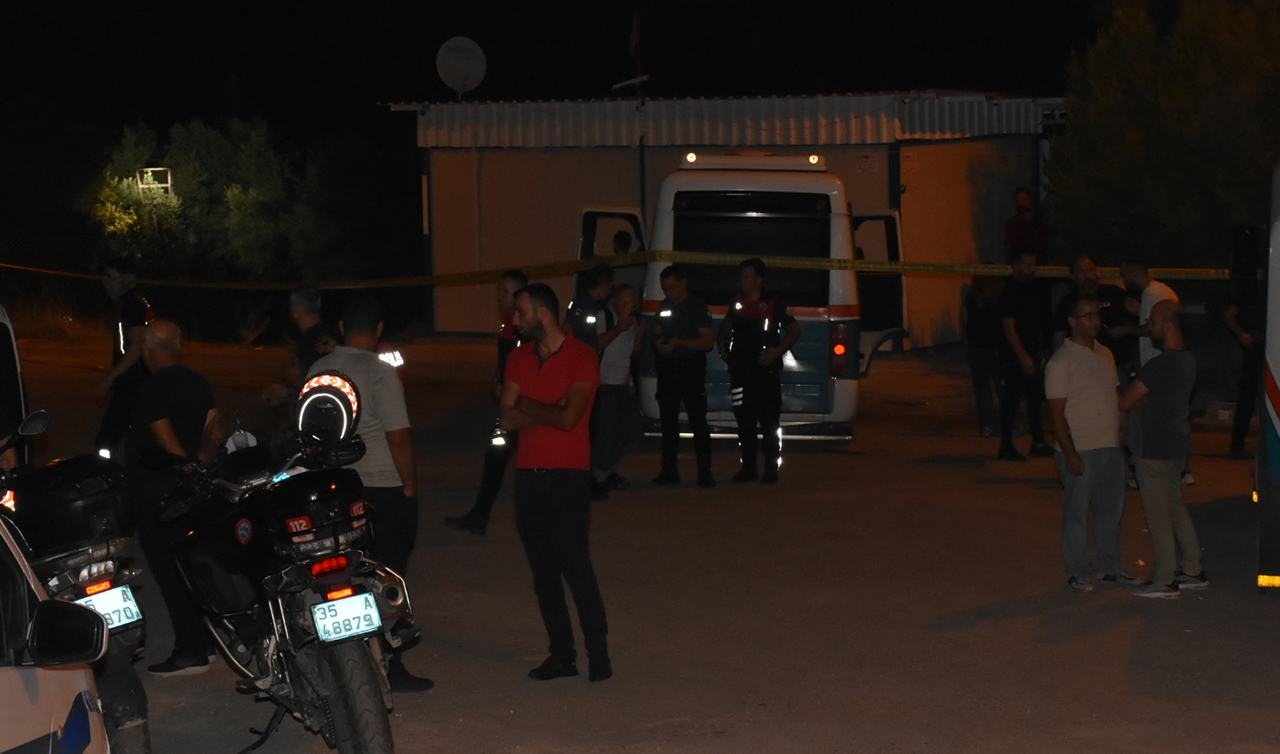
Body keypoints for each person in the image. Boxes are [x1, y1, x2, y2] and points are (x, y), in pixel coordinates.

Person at [308, 296, 432, 691]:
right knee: (387, 577)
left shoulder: (319, 368)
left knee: (344, 574)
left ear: (342, 327)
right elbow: (399, 439)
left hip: (335, 489)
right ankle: (391, 665)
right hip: (381, 488)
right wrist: (409, 488)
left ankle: (349, 662)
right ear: (379, 330)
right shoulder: (380, 372)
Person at [499, 282, 611, 682]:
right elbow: (506, 418)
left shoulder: (583, 356)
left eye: (521, 311)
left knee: (576, 567)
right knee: (544, 574)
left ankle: (598, 652)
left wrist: (526, 404)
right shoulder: (519, 358)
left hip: (568, 476)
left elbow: (569, 419)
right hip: (529, 475)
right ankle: (562, 654)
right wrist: (546, 407)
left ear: (542, 313)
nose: (514, 319)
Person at [125, 319, 223, 676]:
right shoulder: (197, 381)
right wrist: (202, 465)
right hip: (194, 489)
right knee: (193, 567)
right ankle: (209, 643)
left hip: (162, 495)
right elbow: (215, 427)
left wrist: (184, 469)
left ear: (147, 349)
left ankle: (190, 651)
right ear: (177, 347)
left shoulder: (151, 388)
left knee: (170, 573)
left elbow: (166, 440)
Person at [1044, 294, 1143, 593]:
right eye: (1087, 316)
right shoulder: (1061, 361)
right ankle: (1078, 570)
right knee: (1076, 514)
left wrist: (1121, 441)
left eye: (1097, 315)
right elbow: (1056, 413)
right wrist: (1070, 453)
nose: (1095, 321)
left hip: (1109, 447)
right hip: (1081, 448)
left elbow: (1115, 398)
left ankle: (1111, 568)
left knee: (1110, 514)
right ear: (1072, 322)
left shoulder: (1105, 354)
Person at [1119, 300, 1208, 598]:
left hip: (1154, 448)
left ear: (1168, 326)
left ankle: (1164, 579)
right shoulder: (1187, 360)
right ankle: (1193, 569)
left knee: (1157, 515)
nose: (1150, 327)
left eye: (1154, 322)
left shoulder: (1159, 365)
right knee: (1175, 507)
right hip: (1175, 444)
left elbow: (1125, 401)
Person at [445, 269, 527, 536]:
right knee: (497, 458)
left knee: (500, 457)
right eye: (498, 290)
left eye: (505, 291)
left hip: (520, 409)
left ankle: (480, 517)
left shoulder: (524, 328)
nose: (500, 296)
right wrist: (497, 379)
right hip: (512, 407)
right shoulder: (510, 325)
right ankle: (479, 516)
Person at [717, 258, 801, 483]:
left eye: (747, 276)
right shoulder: (737, 302)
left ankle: (771, 470)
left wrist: (776, 352)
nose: (742, 281)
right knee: (744, 421)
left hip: (765, 373)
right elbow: (726, 326)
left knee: (769, 422)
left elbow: (795, 331)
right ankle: (748, 469)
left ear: (759, 279)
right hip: (740, 372)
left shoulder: (773, 303)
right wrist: (722, 345)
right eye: (741, 276)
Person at [652, 264, 715, 487]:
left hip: (690, 369)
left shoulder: (697, 306)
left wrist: (680, 343)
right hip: (668, 369)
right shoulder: (665, 305)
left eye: (671, 287)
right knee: (668, 422)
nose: (668, 292)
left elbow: (707, 342)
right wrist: (659, 343)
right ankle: (669, 471)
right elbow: (657, 331)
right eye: (664, 288)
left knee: (698, 421)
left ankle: (705, 473)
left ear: (683, 283)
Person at [996, 248, 1054, 461]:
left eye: (1034, 265)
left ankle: (1038, 442)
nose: (1033, 269)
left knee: (1034, 398)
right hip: (1014, 356)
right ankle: (1006, 446)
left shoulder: (1030, 288)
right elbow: (1008, 328)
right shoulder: (1010, 290)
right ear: (1016, 266)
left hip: (1030, 352)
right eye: (1028, 265)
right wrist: (1023, 356)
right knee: (1011, 400)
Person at [96, 257, 152, 457]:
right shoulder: (129, 303)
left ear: (126, 279)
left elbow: (137, 346)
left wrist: (111, 377)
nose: (106, 282)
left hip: (134, 381)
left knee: (107, 439)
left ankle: (103, 470)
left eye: (111, 277)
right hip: (136, 379)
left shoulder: (132, 306)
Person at [590, 284, 641, 500]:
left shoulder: (632, 322)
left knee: (621, 431)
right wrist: (619, 328)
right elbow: (597, 342)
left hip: (622, 383)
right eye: (622, 301)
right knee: (605, 432)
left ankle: (608, 471)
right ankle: (598, 476)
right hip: (604, 383)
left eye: (630, 302)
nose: (626, 306)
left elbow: (633, 354)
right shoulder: (606, 316)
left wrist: (638, 334)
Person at [1052, 256, 1137, 381]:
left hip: (1117, 364)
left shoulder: (1115, 293)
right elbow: (1059, 335)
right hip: (1081, 367)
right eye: (1081, 272)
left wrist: (1124, 329)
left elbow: (1140, 324)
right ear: (1073, 276)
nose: (1087, 275)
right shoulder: (1068, 303)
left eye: (1090, 270)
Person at [261, 285, 340, 408]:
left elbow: (320, 392)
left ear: (295, 309)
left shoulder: (307, 344)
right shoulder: (333, 337)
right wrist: (286, 393)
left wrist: (292, 379)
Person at [1226, 264, 1266, 458]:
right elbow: (1230, 315)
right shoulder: (1248, 290)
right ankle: (1237, 445)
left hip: (1271, 348)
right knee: (1247, 398)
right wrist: (1242, 334)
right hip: (1253, 349)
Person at [565, 264, 616, 352]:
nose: (611, 291)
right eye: (611, 286)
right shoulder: (586, 305)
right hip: (582, 355)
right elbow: (591, 340)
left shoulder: (583, 302)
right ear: (604, 285)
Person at [1005, 187, 1049, 265]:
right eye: (1018, 201)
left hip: (1038, 265)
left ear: (1030, 200)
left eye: (1023, 200)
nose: (1021, 204)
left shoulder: (1040, 222)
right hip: (1019, 265)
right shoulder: (1012, 224)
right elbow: (1010, 247)